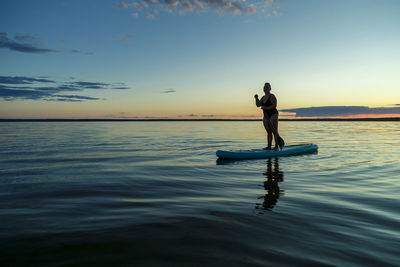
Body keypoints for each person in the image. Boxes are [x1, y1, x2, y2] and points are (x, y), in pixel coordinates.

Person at [254, 83, 280, 150]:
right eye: (264, 87)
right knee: (268, 132)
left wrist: (265, 108)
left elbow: (274, 106)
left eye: (267, 87)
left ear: (270, 89)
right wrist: (256, 98)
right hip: (266, 115)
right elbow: (258, 105)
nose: (265, 88)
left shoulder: (272, 96)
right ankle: (269, 146)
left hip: (273, 114)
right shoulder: (262, 98)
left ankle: (276, 147)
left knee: (274, 131)